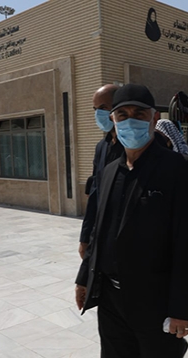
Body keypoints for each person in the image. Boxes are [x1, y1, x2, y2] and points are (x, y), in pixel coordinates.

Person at [74, 84, 188, 358]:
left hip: (154, 298)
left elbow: (185, 242)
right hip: (111, 298)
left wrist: (183, 308)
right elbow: (100, 232)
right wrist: (84, 278)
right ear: (113, 120)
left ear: (154, 119)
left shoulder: (178, 168)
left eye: (139, 114)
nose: (130, 121)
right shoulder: (109, 170)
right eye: (122, 115)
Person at [78, 84, 124, 259]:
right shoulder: (102, 147)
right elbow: (95, 193)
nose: (99, 113)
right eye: (95, 109)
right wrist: (85, 237)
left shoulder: (134, 145)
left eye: (103, 107)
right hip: (103, 233)